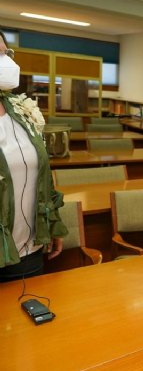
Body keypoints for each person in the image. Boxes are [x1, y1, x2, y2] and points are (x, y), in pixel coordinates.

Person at [0, 30, 67, 282]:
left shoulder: (21, 109)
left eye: (5, 53)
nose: (5, 61)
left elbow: (41, 174)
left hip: (27, 250)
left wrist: (52, 221)